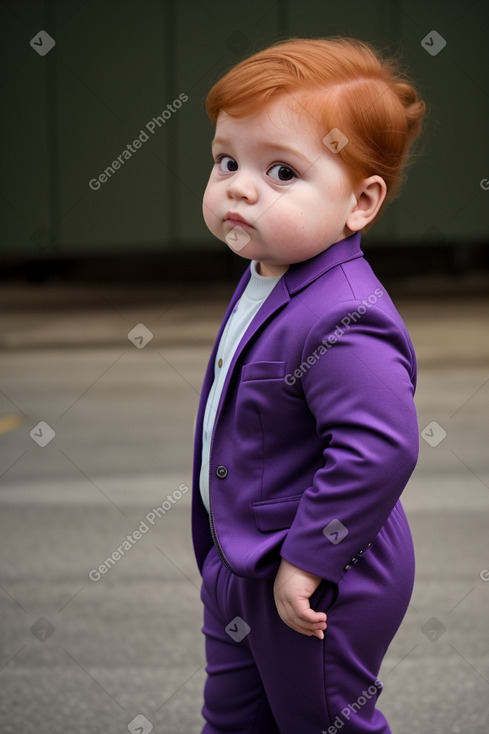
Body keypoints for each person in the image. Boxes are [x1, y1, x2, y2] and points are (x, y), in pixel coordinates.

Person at [191, 37, 426, 733]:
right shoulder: (267, 272)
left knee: (323, 721)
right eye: (226, 160)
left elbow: (378, 448)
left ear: (359, 202)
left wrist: (306, 560)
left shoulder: (345, 316)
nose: (239, 185)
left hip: (320, 571)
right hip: (242, 561)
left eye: (281, 172)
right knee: (234, 721)